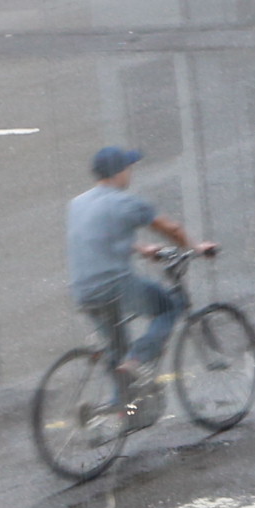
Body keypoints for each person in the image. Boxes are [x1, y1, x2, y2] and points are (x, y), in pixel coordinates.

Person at [67, 147, 209, 401]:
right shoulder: (127, 202)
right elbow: (171, 229)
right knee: (168, 308)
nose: (130, 173)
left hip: (83, 291)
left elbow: (95, 238)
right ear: (119, 172)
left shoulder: (78, 203)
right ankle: (137, 360)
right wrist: (197, 247)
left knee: (116, 350)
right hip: (115, 285)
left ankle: (118, 411)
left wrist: (140, 248)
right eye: (128, 168)